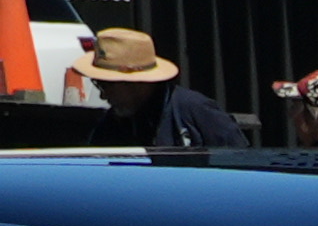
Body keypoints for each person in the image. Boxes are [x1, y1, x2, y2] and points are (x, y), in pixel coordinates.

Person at [82, 25, 249, 153]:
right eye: (98, 83)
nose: (103, 95)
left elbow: (240, 162)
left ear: (138, 82)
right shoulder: (110, 125)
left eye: (107, 85)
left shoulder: (195, 111)